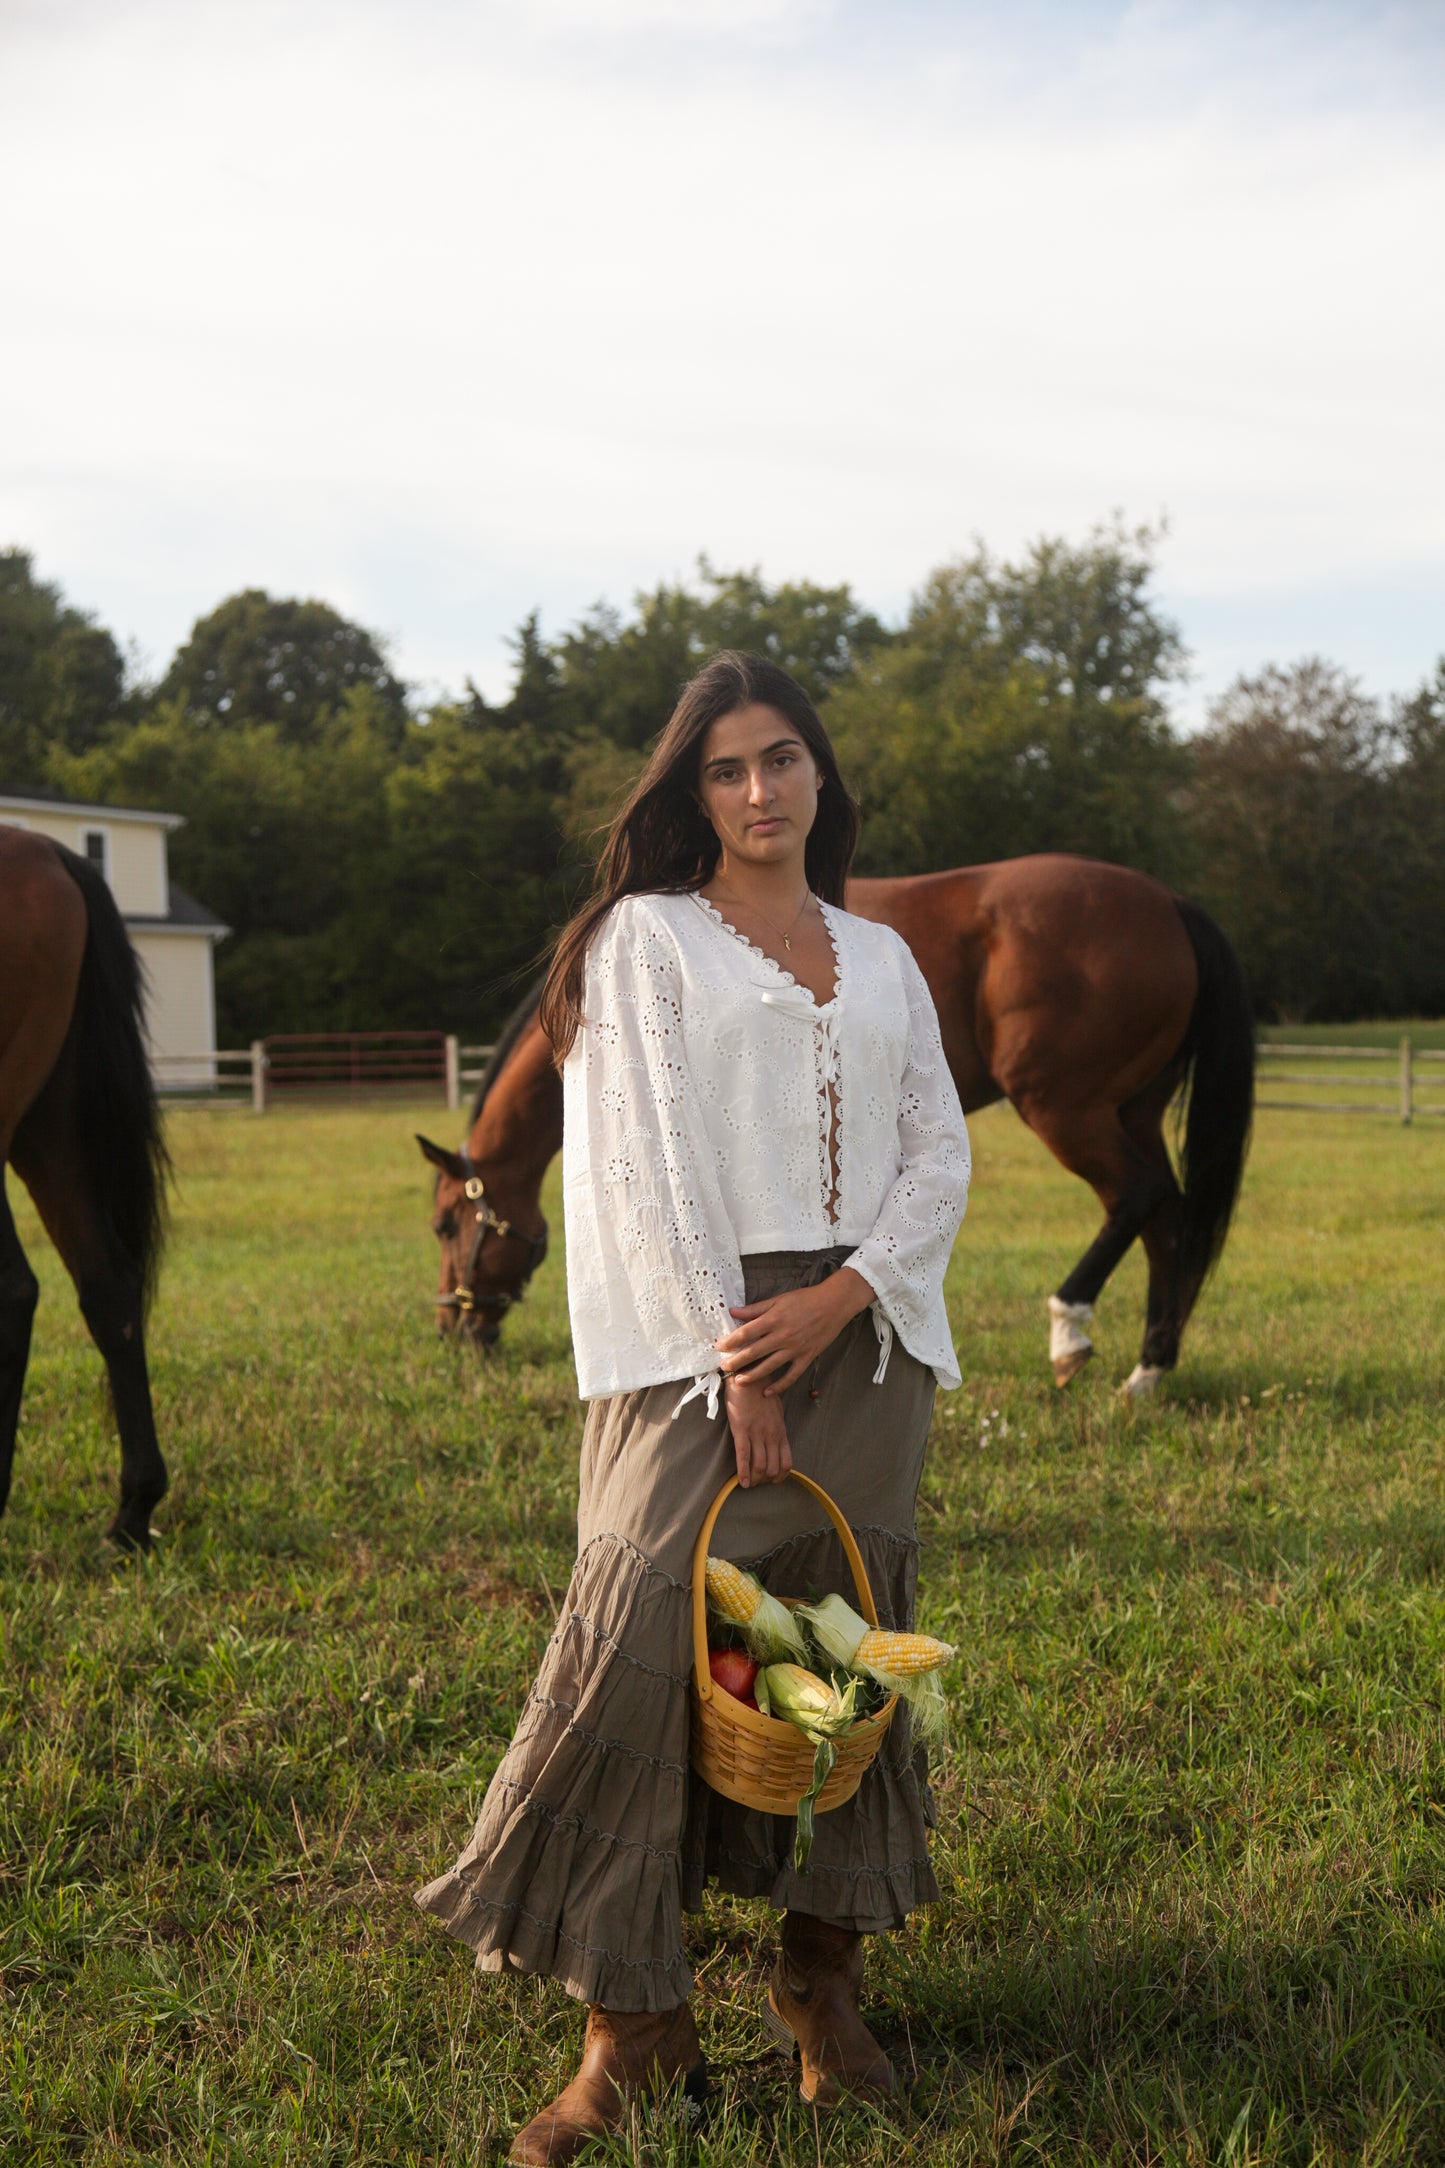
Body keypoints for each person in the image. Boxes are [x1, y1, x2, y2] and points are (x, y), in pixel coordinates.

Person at [416, 651, 971, 2164]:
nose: (756, 791)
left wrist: (842, 1303)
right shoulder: (643, 940)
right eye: (725, 769)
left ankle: (819, 1977)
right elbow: (643, 1168)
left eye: (780, 759)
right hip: (696, 1342)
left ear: (818, 775)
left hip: (862, 1339)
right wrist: (740, 1364)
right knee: (655, 1635)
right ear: (688, 790)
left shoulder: (884, 953)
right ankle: (630, 2028)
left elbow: (937, 1151)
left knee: (839, 1652)